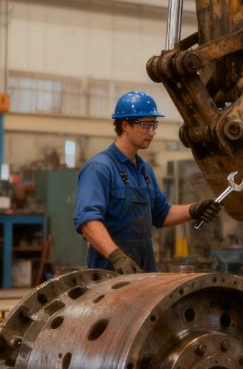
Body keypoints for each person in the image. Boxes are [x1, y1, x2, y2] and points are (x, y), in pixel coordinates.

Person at [73, 91, 222, 274]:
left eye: (154, 125)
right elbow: (88, 221)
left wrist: (194, 210)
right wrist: (117, 257)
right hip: (109, 273)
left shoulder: (144, 170)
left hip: (144, 269)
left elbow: (162, 213)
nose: (151, 132)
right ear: (125, 125)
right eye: (145, 125)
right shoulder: (100, 168)